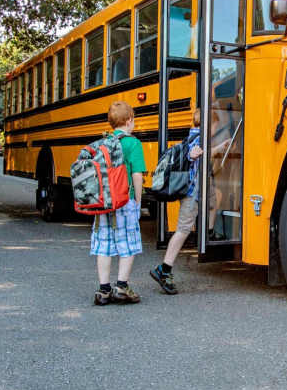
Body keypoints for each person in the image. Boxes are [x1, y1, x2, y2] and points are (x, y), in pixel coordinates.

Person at [150, 107, 227, 294]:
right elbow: (195, 153)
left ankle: (208, 232)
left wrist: (217, 148)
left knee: (215, 198)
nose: (216, 128)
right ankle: (164, 269)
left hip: (198, 190)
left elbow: (202, 153)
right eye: (215, 124)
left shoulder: (194, 135)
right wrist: (195, 154)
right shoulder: (199, 138)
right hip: (192, 192)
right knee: (183, 230)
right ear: (210, 123)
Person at [92, 101, 147, 305]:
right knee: (128, 243)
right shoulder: (133, 143)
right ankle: (121, 286)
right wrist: (138, 202)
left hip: (103, 201)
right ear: (129, 120)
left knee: (104, 244)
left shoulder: (102, 142)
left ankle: (103, 290)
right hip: (124, 201)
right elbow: (137, 175)